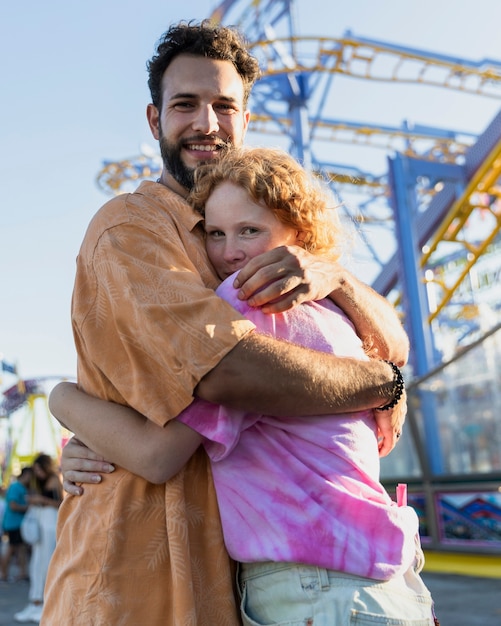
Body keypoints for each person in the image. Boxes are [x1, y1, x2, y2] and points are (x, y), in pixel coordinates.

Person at [42, 20, 410, 626]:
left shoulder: (256, 242)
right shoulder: (131, 226)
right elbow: (227, 370)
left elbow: (390, 344)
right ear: (155, 121)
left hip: (236, 580)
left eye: (224, 106)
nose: (206, 124)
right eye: (185, 104)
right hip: (133, 576)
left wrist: (339, 279)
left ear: (245, 121)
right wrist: (384, 385)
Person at [15, 454, 62, 624]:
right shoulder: (38, 482)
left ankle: (44, 603)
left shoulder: (55, 480)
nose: (37, 473)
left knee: (47, 563)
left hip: (50, 523)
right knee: (36, 563)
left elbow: (61, 503)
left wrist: (40, 499)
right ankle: (35, 601)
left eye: (39, 469)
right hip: (41, 522)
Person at [1, 466, 33, 583]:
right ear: (26, 475)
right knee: (11, 548)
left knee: (21, 549)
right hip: (13, 523)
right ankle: (3, 574)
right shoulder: (15, 487)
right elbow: (13, 505)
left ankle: (22, 573)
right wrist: (28, 508)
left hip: (17, 523)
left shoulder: (20, 487)